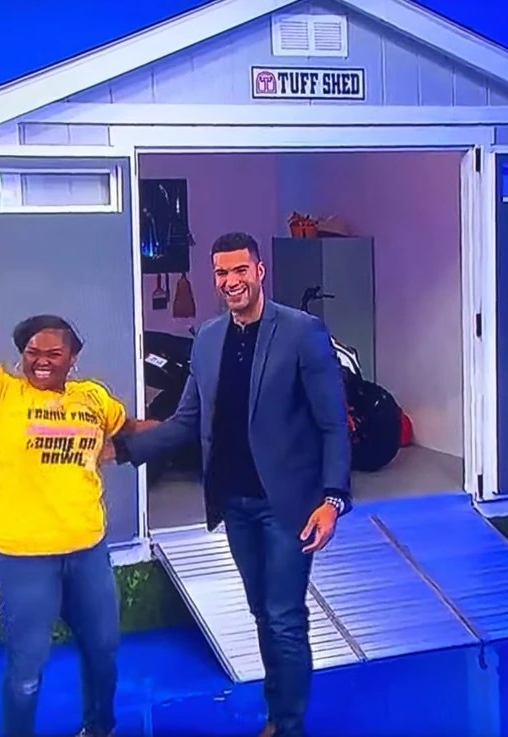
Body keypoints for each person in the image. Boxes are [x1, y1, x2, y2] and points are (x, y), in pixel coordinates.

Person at [109, 231, 352, 737]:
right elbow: (184, 422)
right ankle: (277, 711)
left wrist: (332, 500)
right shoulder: (209, 338)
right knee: (263, 611)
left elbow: (333, 423)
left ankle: (287, 725)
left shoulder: (302, 332)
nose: (231, 281)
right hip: (234, 503)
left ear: (259, 271)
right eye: (222, 273)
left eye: (240, 270)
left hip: (289, 505)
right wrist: (123, 448)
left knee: (285, 616)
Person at [0, 237, 126, 737]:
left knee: (104, 650)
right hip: (23, 556)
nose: (41, 360)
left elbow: (128, 432)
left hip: (87, 549)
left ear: (73, 358)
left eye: (53, 352)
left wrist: (192, 429)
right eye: (31, 352)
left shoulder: (92, 398)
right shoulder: (1, 393)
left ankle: (99, 728)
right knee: (27, 667)